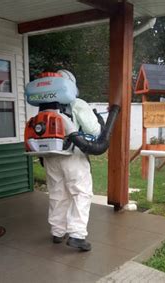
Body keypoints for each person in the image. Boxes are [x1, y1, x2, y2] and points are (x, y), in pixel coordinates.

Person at [43, 69, 101, 251]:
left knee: (57, 193)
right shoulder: (76, 103)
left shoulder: (45, 105)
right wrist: (99, 121)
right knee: (81, 193)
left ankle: (58, 231)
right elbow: (93, 131)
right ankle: (77, 235)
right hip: (72, 154)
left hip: (50, 155)